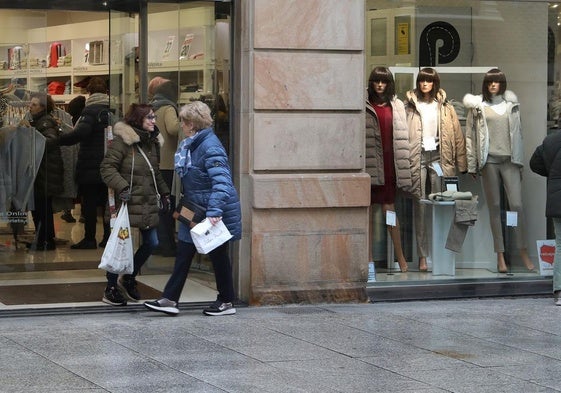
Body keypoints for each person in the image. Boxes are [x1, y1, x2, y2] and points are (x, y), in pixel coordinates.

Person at [144, 101, 241, 316]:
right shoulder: (193, 144)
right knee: (184, 252)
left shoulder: (210, 146)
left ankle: (226, 301)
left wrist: (215, 211)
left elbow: (222, 182)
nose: (180, 125)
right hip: (196, 208)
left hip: (209, 211)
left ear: (192, 124)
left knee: (217, 255)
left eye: (182, 122)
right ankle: (170, 299)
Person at [464, 68, 536, 273]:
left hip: (510, 161)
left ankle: (522, 251)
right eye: (489, 82)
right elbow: (470, 137)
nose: (492, 85)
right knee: (495, 207)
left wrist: (520, 161)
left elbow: (519, 134)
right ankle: (500, 255)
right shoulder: (478, 107)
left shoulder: (511, 106)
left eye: (496, 82)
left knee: (517, 205)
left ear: (502, 84)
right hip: (489, 162)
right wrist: (472, 164)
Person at [100, 103, 171, 306]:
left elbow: (154, 171)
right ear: (138, 119)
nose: (154, 121)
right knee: (121, 245)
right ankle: (111, 286)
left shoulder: (152, 142)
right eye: (149, 117)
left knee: (152, 243)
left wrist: (165, 192)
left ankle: (128, 277)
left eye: (154, 117)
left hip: (146, 201)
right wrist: (122, 187)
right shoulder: (124, 142)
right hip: (126, 201)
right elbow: (107, 168)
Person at [404, 67, 467, 272]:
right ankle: (423, 256)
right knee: (420, 205)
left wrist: (463, 164)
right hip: (418, 156)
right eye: (422, 80)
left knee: (442, 204)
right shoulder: (410, 107)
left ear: (434, 84)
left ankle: (442, 253)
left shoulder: (446, 107)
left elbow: (457, 136)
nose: (425, 84)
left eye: (429, 81)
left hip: (440, 157)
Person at [366, 67, 411, 273]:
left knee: (389, 210)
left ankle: (401, 258)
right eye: (376, 81)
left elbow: (404, 137)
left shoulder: (397, 106)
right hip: (371, 165)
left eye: (384, 81)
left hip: (390, 164)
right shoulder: (365, 105)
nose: (380, 85)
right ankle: (368, 260)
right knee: (367, 214)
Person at [59, 77, 111, 249]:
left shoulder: (89, 111)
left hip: (90, 166)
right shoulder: (113, 110)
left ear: (89, 93)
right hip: (110, 165)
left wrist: (59, 140)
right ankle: (107, 238)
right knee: (107, 204)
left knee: (89, 204)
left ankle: (89, 239)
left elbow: (80, 134)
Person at [27, 92, 64, 251]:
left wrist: (31, 136)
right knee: (42, 208)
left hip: (45, 172)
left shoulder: (45, 123)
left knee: (41, 208)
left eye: (34, 104)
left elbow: (50, 141)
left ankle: (45, 241)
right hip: (45, 171)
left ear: (42, 107)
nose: (30, 106)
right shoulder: (40, 121)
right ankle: (43, 239)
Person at [149, 78, 181, 256]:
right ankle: (167, 245)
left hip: (156, 161)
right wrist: (186, 120)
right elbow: (173, 129)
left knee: (160, 206)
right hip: (168, 162)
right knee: (167, 207)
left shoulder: (153, 106)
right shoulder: (168, 108)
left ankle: (159, 242)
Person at [530, 130, 561, 304]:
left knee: (560, 244)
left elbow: (534, 163)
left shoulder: (550, 141)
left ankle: (559, 292)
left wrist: (552, 173)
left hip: (557, 200)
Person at [59, 94, 86, 223]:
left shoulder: (69, 120)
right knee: (81, 187)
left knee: (70, 183)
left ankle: (67, 211)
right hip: (83, 156)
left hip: (71, 156)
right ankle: (83, 214)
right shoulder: (84, 119)